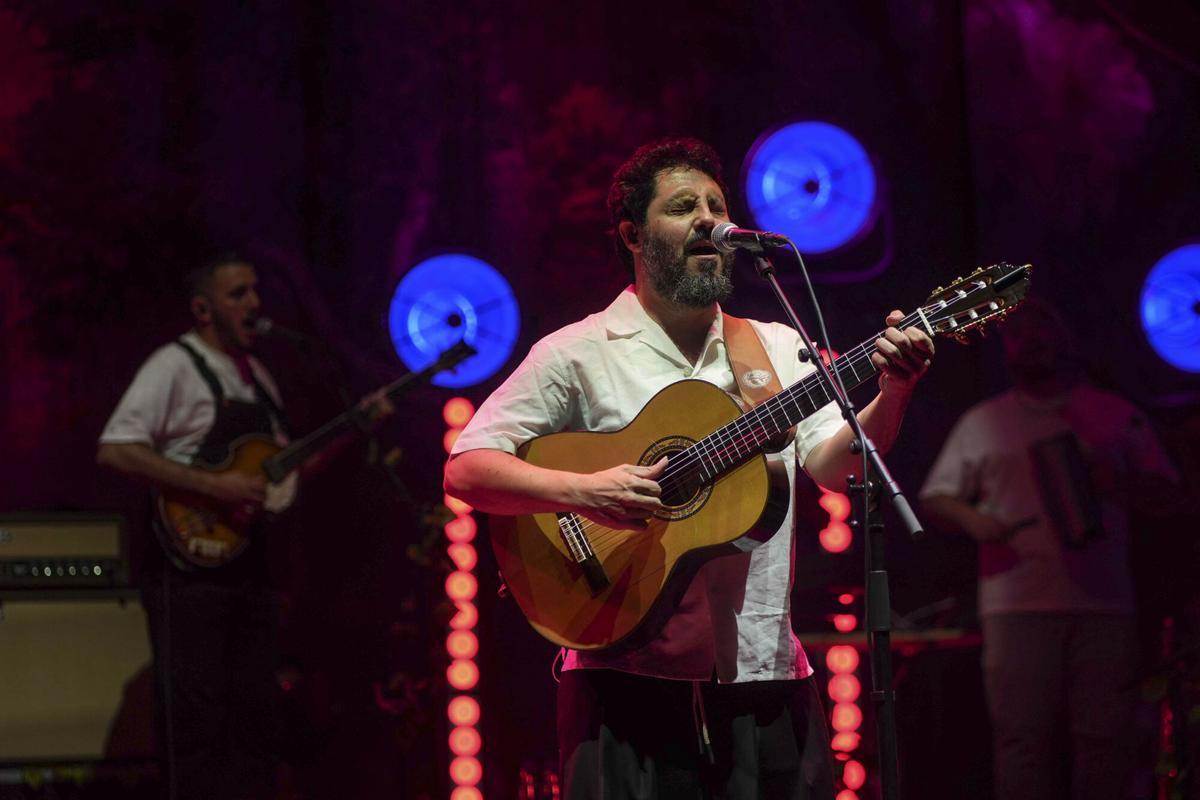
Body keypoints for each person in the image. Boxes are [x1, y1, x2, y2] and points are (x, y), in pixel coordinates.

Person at [444, 137, 935, 799]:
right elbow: (468, 468)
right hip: (623, 681)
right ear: (634, 236)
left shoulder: (773, 345)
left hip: (765, 679)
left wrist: (894, 391)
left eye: (715, 204)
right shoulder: (578, 353)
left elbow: (833, 466)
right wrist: (585, 491)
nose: (709, 218)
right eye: (683, 207)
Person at [97, 254, 390, 799]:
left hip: (249, 569)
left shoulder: (260, 381)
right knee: (197, 719)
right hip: (185, 574)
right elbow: (115, 449)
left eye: (255, 291)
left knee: (256, 717)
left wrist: (354, 427)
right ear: (203, 309)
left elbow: (283, 477)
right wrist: (215, 487)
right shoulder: (173, 366)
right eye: (239, 294)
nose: (255, 304)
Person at [919, 299, 1180, 800]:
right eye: (1018, 333)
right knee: (1022, 741)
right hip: (1016, 605)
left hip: (1103, 605)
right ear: (1005, 347)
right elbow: (936, 495)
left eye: (1042, 329)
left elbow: (1171, 493)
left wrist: (1117, 483)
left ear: (1065, 338)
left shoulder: (1110, 412)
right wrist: (977, 521)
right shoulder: (985, 420)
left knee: (1107, 742)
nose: (1032, 341)